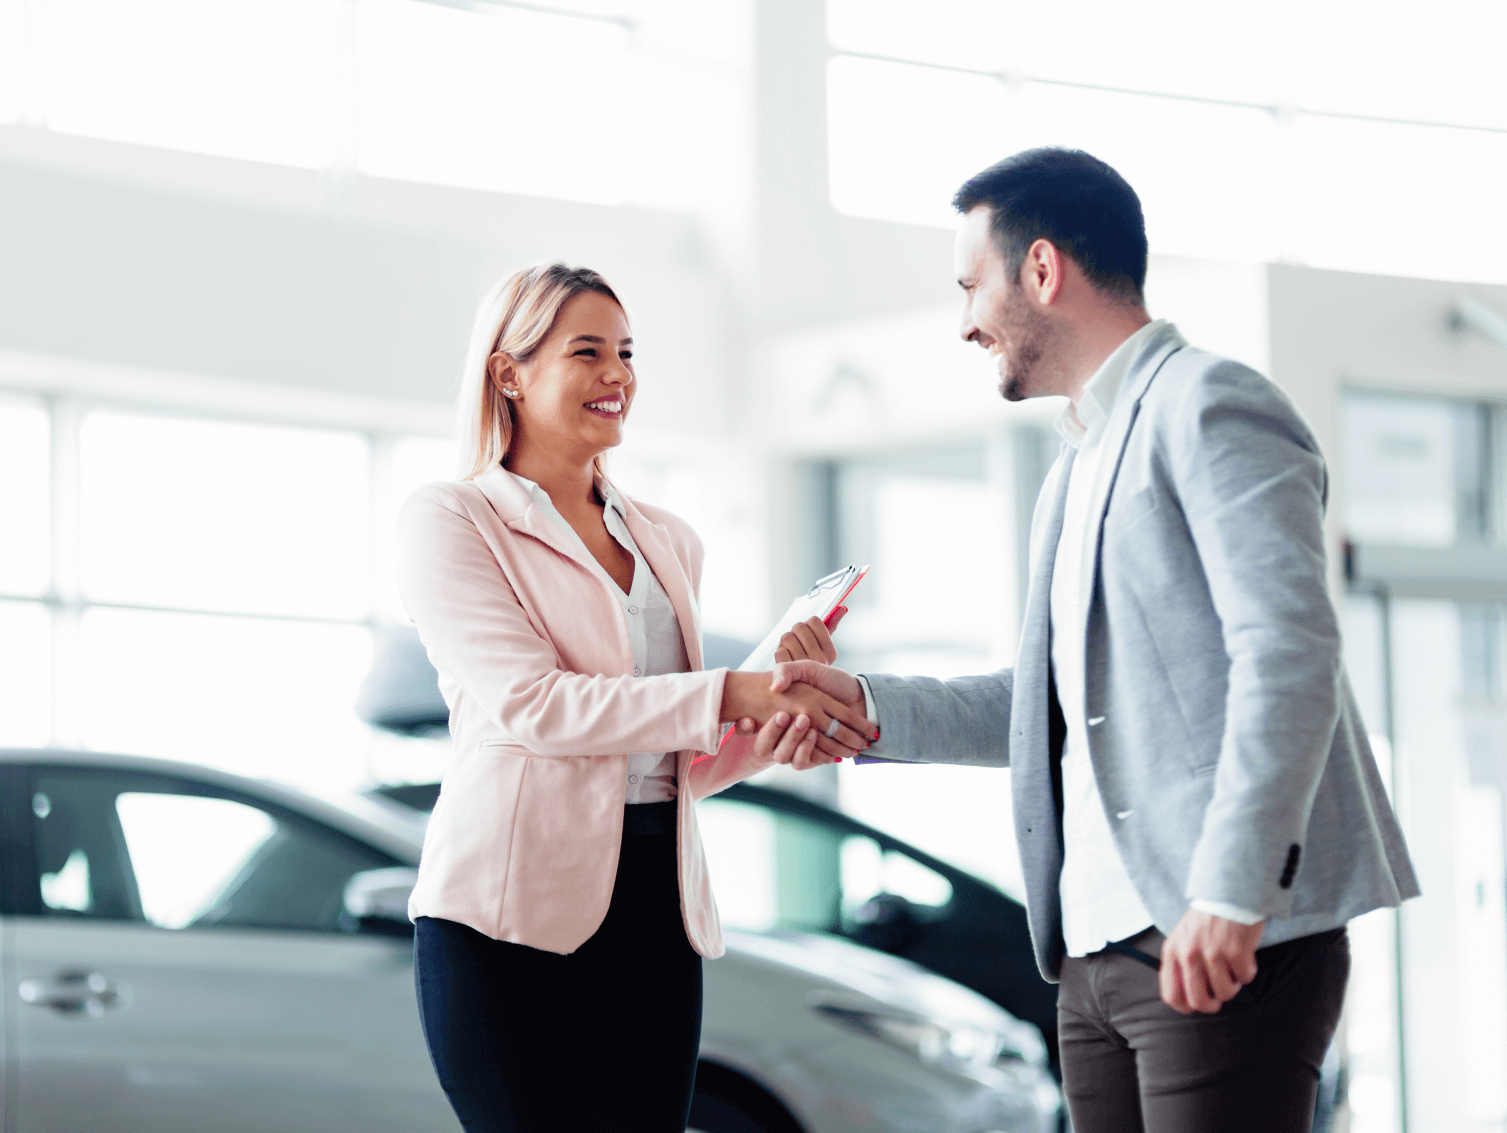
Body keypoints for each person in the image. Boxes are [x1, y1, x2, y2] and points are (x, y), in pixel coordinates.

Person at [771, 148, 1418, 1132]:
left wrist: (1232, 889)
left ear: (1040, 269)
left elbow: (1288, 652)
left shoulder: (1211, 405)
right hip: (1094, 954)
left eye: (969, 284)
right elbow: (1053, 702)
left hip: (1209, 933)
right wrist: (864, 705)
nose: (964, 321)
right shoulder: (1075, 464)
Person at [396, 263, 876, 1133]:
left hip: (658, 904)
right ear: (509, 372)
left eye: (626, 353)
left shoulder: (668, 540)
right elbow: (536, 705)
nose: (617, 375)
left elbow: (679, 763)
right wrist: (733, 688)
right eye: (588, 352)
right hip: (505, 918)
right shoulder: (453, 518)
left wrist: (773, 719)